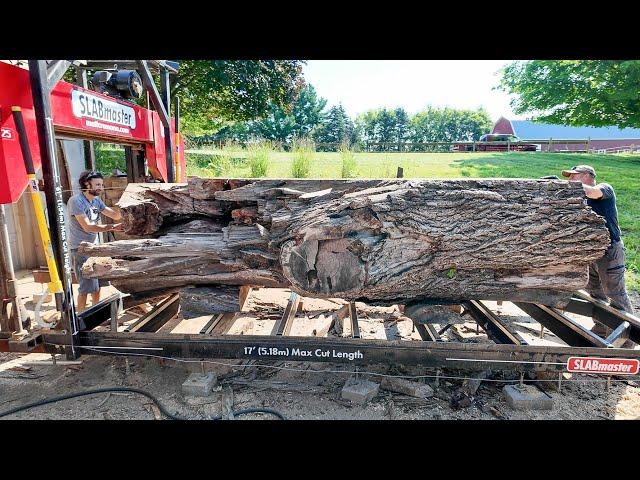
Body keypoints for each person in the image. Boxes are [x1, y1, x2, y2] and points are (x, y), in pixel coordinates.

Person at [561, 165, 634, 317]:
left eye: (574, 176)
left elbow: (592, 192)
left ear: (588, 176)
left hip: (610, 251)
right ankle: (601, 328)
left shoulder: (605, 189)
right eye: (569, 177)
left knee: (615, 294)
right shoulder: (578, 198)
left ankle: (629, 337)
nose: (570, 179)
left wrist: (565, 186)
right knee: (595, 292)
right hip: (590, 252)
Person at [67, 170, 124, 312]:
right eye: (98, 184)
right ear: (87, 184)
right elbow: (88, 227)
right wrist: (112, 227)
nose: (101, 187)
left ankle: (94, 312)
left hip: (94, 248)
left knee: (97, 285)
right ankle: (81, 317)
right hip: (80, 249)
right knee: (86, 287)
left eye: (102, 184)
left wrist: (125, 205)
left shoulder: (96, 201)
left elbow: (115, 215)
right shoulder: (76, 201)